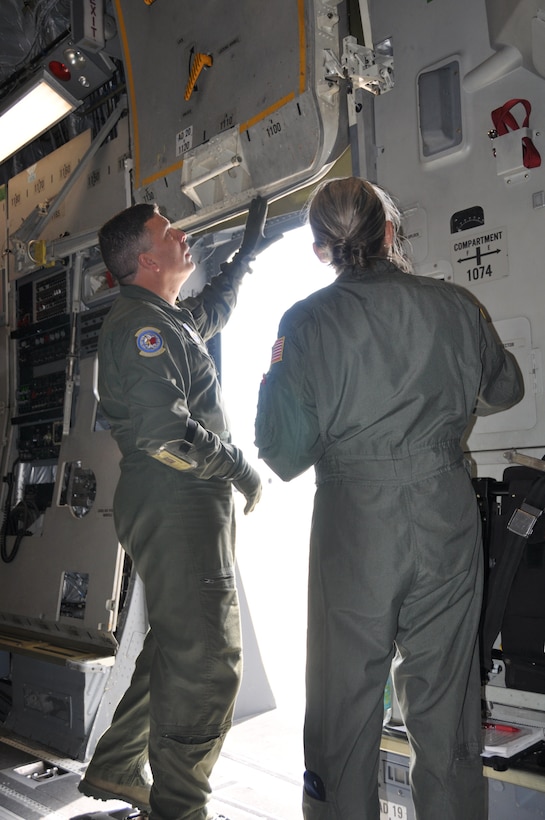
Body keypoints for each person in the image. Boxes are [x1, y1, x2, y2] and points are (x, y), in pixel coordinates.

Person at [254, 177, 524, 820]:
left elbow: (284, 452)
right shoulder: (458, 307)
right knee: (447, 709)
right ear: (390, 232)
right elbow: (505, 390)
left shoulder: (306, 322)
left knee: (344, 706)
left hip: (356, 524)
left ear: (321, 249)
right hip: (445, 517)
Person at [78, 198, 270, 820]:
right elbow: (166, 434)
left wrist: (239, 265)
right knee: (208, 663)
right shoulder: (142, 329)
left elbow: (205, 317)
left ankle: (117, 765)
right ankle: (180, 807)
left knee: (176, 645)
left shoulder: (162, 317)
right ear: (145, 257)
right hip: (179, 499)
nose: (184, 236)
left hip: (177, 502)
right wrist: (241, 468)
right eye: (171, 232)